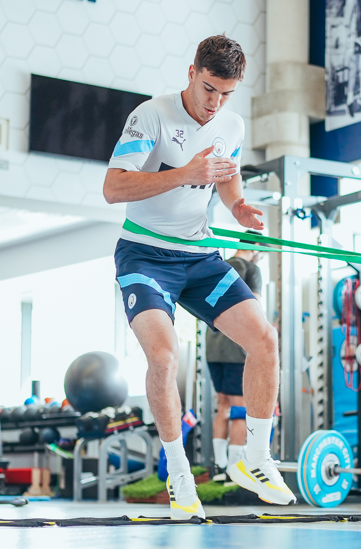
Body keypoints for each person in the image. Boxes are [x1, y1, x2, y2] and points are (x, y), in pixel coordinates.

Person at [103, 35, 295, 520]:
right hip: (144, 255)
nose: (216, 104)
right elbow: (114, 187)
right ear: (191, 73)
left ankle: (254, 459)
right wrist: (186, 172)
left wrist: (237, 204)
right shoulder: (150, 116)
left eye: (227, 93)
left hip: (199, 255)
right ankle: (178, 471)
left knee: (266, 340)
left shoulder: (230, 122)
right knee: (165, 358)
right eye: (210, 89)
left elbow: (226, 171)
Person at [204, 233, 265, 481]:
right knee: (240, 408)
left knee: (223, 406)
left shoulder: (220, 266)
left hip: (213, 346)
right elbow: (254, 310)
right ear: (256, 247)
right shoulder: (252, 270)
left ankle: (219, 467)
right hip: (235, 348)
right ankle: (233, 471)